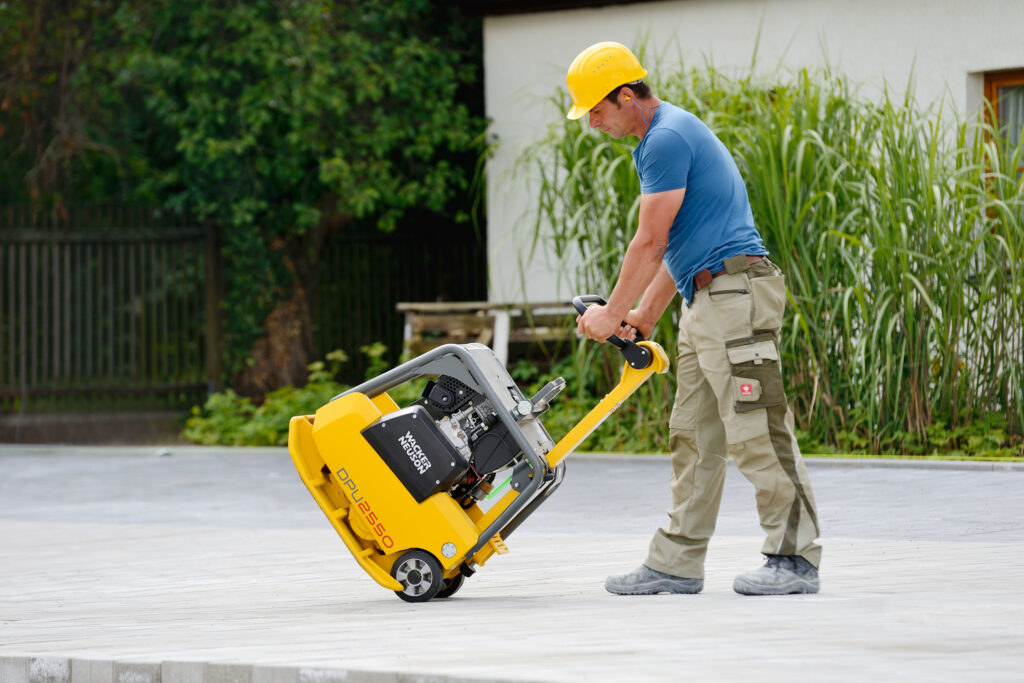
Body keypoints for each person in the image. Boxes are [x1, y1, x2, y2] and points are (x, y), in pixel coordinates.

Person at [567, 41, 822, 596]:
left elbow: (650, 241)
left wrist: (611, 315)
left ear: (627, 95)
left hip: (734, 294)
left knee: (756, 427)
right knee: (694, 435)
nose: (592, 123)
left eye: (597, 109)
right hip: (705, 298)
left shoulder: (666, 138)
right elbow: (678, 245)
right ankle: (676, 563)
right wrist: (643, 316)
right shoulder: (657, 140)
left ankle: (795, 559)